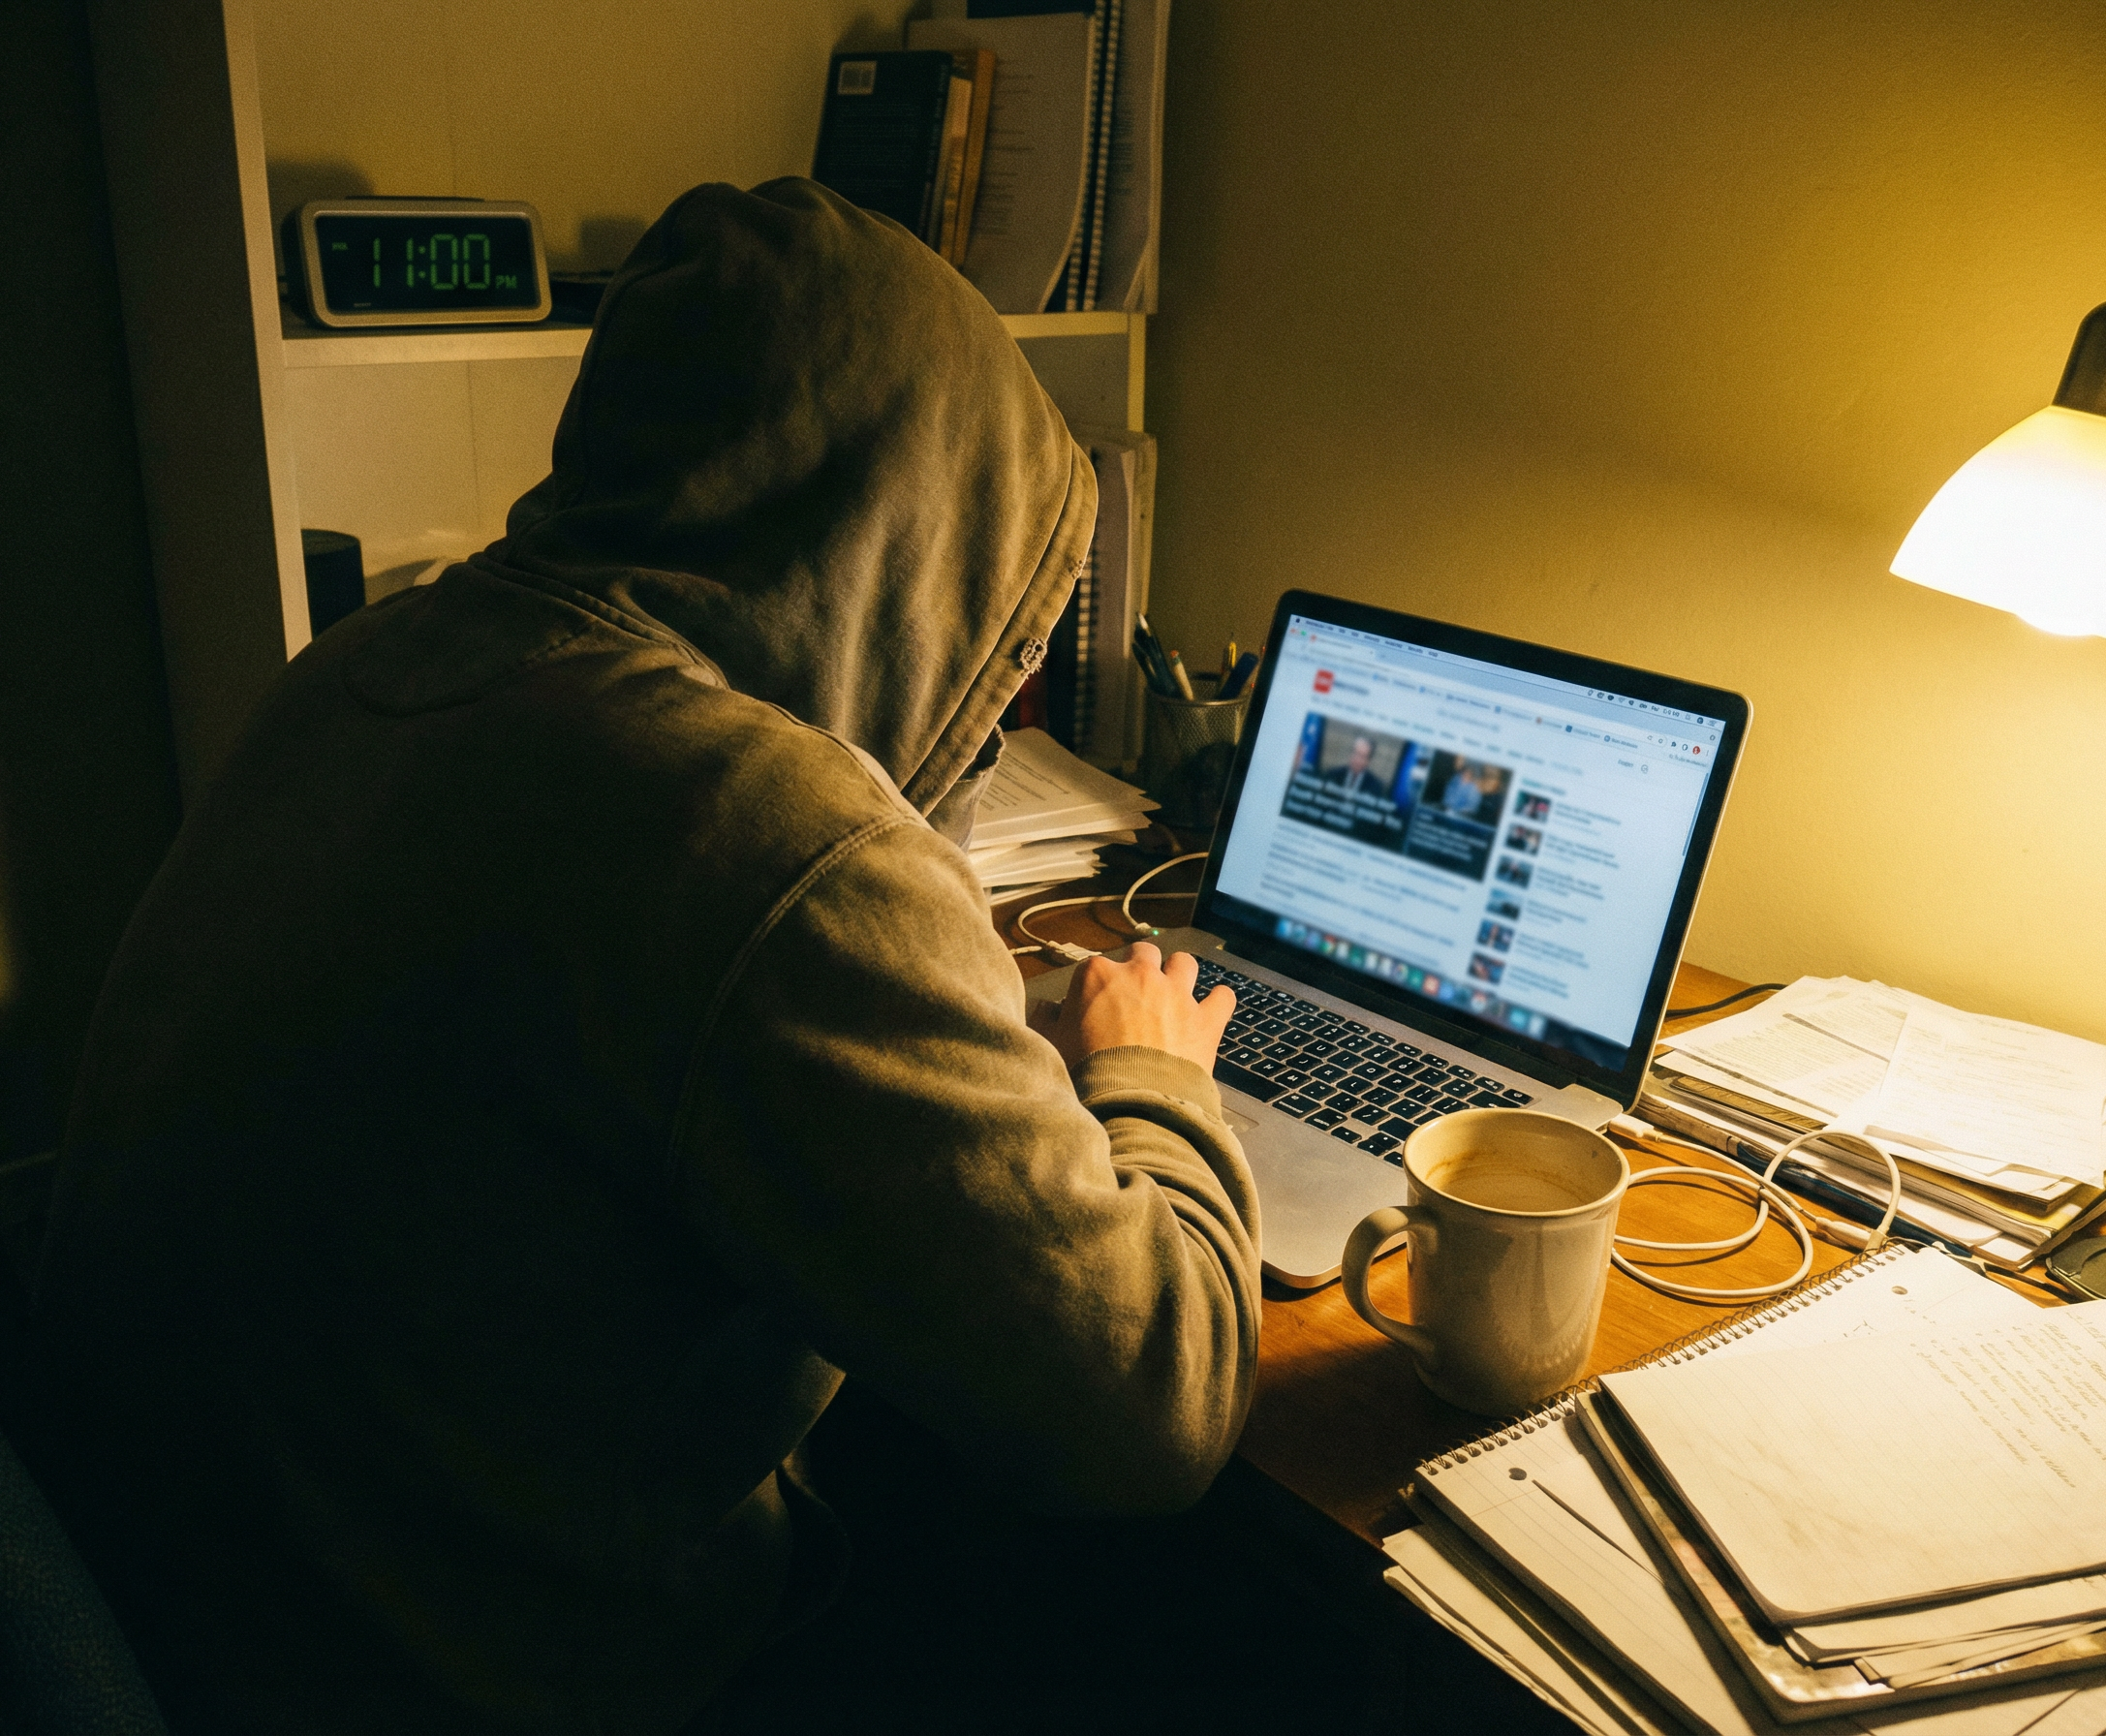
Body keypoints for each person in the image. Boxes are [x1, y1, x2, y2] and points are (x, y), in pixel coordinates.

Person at [32, 179, 1258, 1733]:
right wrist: (1151, 1072)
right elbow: (1152, 1404)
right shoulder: (761, 833)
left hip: (209, 1614)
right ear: (908, 536)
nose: (1001, 677)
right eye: (1004, 621)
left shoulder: (373, 664)